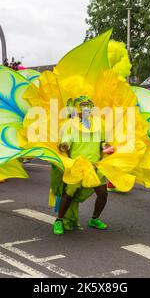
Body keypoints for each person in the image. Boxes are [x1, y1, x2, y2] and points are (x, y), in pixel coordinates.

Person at [52, 96, 114, 235]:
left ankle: (94, 219)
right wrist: (64, 145)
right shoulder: (70, 125)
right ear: (77, 111)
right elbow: (66, 141)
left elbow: (102, 142)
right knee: (69, 194)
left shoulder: (99, 124)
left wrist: (106, 147)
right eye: (83, 109)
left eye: (88, 108)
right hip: (78, 165)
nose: (86, 111)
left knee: (103, 194)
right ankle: (59, 221)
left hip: (95, 166)